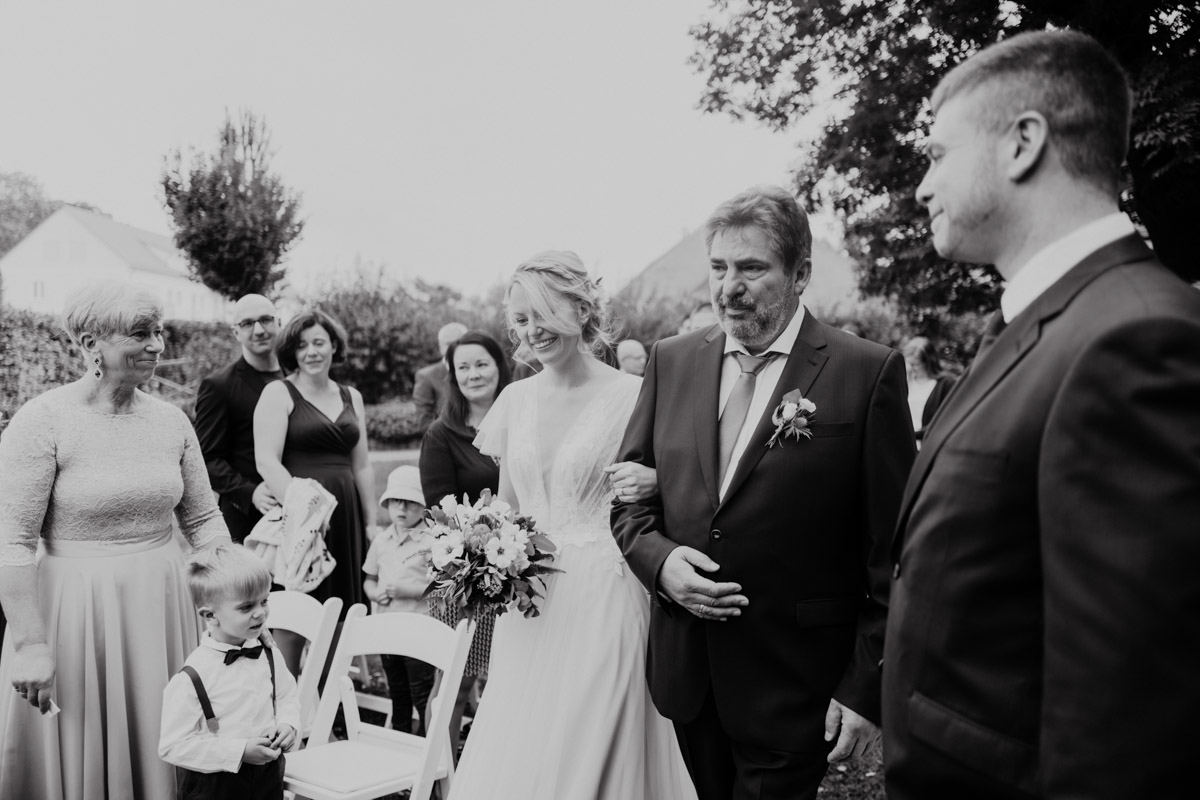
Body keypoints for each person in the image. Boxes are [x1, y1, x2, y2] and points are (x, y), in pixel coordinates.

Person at [883, 31, 1200, 800]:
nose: (922, 187)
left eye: (938, 155)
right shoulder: (1044, 322)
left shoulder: (1136, 338)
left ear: (1023, 143)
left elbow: (1126, 724)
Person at [611, 185, 916, 800]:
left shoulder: (866, 371)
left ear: (800, 273)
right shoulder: (671, 361)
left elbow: (897, 551)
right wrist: (660, 562)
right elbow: (629, 497)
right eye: (719, 267)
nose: (729, 287)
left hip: (797, 680)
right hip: (689, 674)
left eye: (751, 268)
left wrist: (866, 686)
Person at [450, 251, 696, 799]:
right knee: (524, 746)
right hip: (530, 605)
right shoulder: (515, 399)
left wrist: (656, 481)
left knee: (595, 746)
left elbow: (679, 487)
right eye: (521, 319)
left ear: (582, 311)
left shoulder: (632, 396)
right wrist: (477, 549)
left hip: (604, 597)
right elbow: (508, 506)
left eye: (543, 314)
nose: (531, 331)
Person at [0, 280, 231, 800]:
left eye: (159, 332)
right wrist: (30, 645)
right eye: (140, 334)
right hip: (77, 613)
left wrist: (239, 591)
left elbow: (203, 520)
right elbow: (12, 543)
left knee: (167, 734)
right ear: (90, 344)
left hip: (167, 605)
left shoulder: (171, 420)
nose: (157, 345)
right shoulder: (43, 421)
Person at [254, 310, 374, 675]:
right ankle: (287, 696)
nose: (311, 352)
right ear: (292, 351)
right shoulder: (279, 392)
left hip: (345, 516)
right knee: (295, 613)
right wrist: (306, 512)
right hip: (303, 518)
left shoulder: (352, 396)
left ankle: (329, 693)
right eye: (302, 345)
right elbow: (266, 461)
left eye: (319, 342)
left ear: (334, 346)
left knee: (341, 615)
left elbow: (362, 465)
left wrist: (370, 523)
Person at [418, 330, 510, 754]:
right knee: (457, 680)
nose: (474, 375)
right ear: (453, 376)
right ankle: (438, 773)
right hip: (467, 576)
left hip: (521, 568)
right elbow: (441, 511)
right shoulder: (442, 434)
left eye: (482, 364)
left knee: (509, 679)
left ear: (499, 367)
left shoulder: (523, 421)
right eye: (463, 367)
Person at [159, 545, 300, 800]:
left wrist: (287, 724)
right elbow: (173, 745)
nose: (260, 612)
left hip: (268, 776)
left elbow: (287, 695)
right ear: (210, 615)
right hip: (215, 784)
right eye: (246, 607)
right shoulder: (193, 675)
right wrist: (239, 751)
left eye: (264, 601)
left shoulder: (268, 653)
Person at [193, 294, 284, 543]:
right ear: (236, 332)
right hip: (249, 520)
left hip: (299, 510)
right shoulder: (219, 386)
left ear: (279, 322)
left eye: (266, 320)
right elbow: (206, 459)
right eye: (247, 323)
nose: (259, 330)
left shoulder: (297, 378)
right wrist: (249, 492)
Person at [362, 466, 436, 735]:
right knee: (397, 691)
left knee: (422, 692)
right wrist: (373, 593)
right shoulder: (381, 541)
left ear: (423, 506)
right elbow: (369, 579)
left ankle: (427, 742)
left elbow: (440, 586)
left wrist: (408, 590)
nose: (402, 508)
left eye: (410, 502)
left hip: (418, 630)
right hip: (388, 630)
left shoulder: (431, 541)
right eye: (396, 501)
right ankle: (400, 736)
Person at [899, 335, 957, 443]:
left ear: (928, 362)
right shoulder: (906, 381)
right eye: (909, 364)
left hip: (928, 445)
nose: (912, 368)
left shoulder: (946, 384)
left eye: (915, 364)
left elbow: (946, 420)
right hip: (905, 444)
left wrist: (913, 435)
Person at [413, 321, 468, 429]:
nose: (454, 347)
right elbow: (424, 423)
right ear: (440, 347)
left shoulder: (480, 373)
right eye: (448, 344)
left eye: (460, 342)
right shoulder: (426, 376)